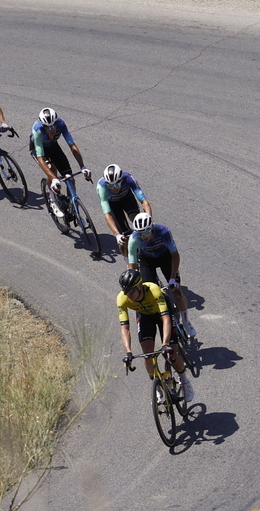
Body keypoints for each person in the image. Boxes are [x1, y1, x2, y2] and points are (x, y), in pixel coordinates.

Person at [118, 268, 194, 402]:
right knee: (148, 354)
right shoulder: (122, 299)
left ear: (139, 286)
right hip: (145, 316)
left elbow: (165, 319)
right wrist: (128, 352)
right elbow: (125, 328)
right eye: (125, 291)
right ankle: (158, 385)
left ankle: (185, 381)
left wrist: (165, 344)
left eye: (131, 291)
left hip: (162, 313)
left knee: (172, 354)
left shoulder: (153, 290)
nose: (128, 295)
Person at [127, 213, 196, 337]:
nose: (144, 237)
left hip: (165, 257)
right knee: (148, 293)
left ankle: (186, 321)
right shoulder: (134, 239)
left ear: (151, 228)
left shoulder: (163, 232)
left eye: (146, 233)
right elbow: (132, 265)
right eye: (140, 234)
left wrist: (173, 278)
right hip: (146, 261)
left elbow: (175, 255)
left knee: (176, 291)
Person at [31, 107, 92, 218]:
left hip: (53, 146)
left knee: (70, 178)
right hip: (39, 150)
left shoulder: (61, 124)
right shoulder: (38, 130)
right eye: (48, 127)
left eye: (53, 126)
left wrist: (83, 167)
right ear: (43, 125)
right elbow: (40, 157)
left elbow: (72, 146)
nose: (51, 129)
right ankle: (53, 200)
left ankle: (72, 208)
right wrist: (54, 178)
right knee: (52, 169)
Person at [96, 164, 152, 255]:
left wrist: (149, 220)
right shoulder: (101, 187)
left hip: (126, 198)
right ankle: (128, 262)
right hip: (113, 205)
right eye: (110, 186)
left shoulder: (128, 178)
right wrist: (117, 235)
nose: (114, 188)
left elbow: (144, 201)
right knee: (123, 237)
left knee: (138, 222)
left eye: (117, 184)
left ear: (121, 179)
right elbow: (107, 214)